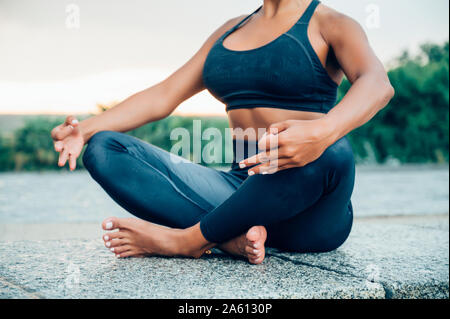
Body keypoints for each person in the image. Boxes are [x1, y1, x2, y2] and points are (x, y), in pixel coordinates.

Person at [51, 0, 394, 264]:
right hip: (239, 188)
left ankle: (186, 241)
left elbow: (378, 83)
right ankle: (229, 238)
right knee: (105, 149)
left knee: (333, 149)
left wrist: (322, 130)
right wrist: (86, 129)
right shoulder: (230, 30)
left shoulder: (331, 24)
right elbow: (165, 94)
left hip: (311, 209)